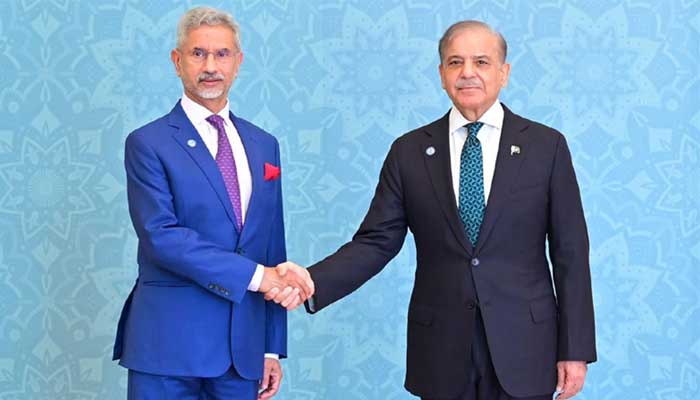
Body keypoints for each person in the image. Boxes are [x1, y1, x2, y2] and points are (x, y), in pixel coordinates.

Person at [272, 20, 596, 400]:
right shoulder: (409, 152)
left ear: (504, 72)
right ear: (441, 74)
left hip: (526, 346)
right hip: (442, 349)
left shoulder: (546, 147)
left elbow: (570, 252)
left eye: (482, 61)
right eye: (455, 62)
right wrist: (313, 280)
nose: (468, 73)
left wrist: (574, 350)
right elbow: (376, 242)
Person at [112, 6, 313, 399]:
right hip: (168, 347)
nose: (210, 66)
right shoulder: (147, 143)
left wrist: (271, 347)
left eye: (222, 54)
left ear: (238, 62)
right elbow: (162, 237)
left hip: (243, 350)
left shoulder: (264, 145)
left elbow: (272, 242)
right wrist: (259, 277)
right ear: (177, 61)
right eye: (197, 53)